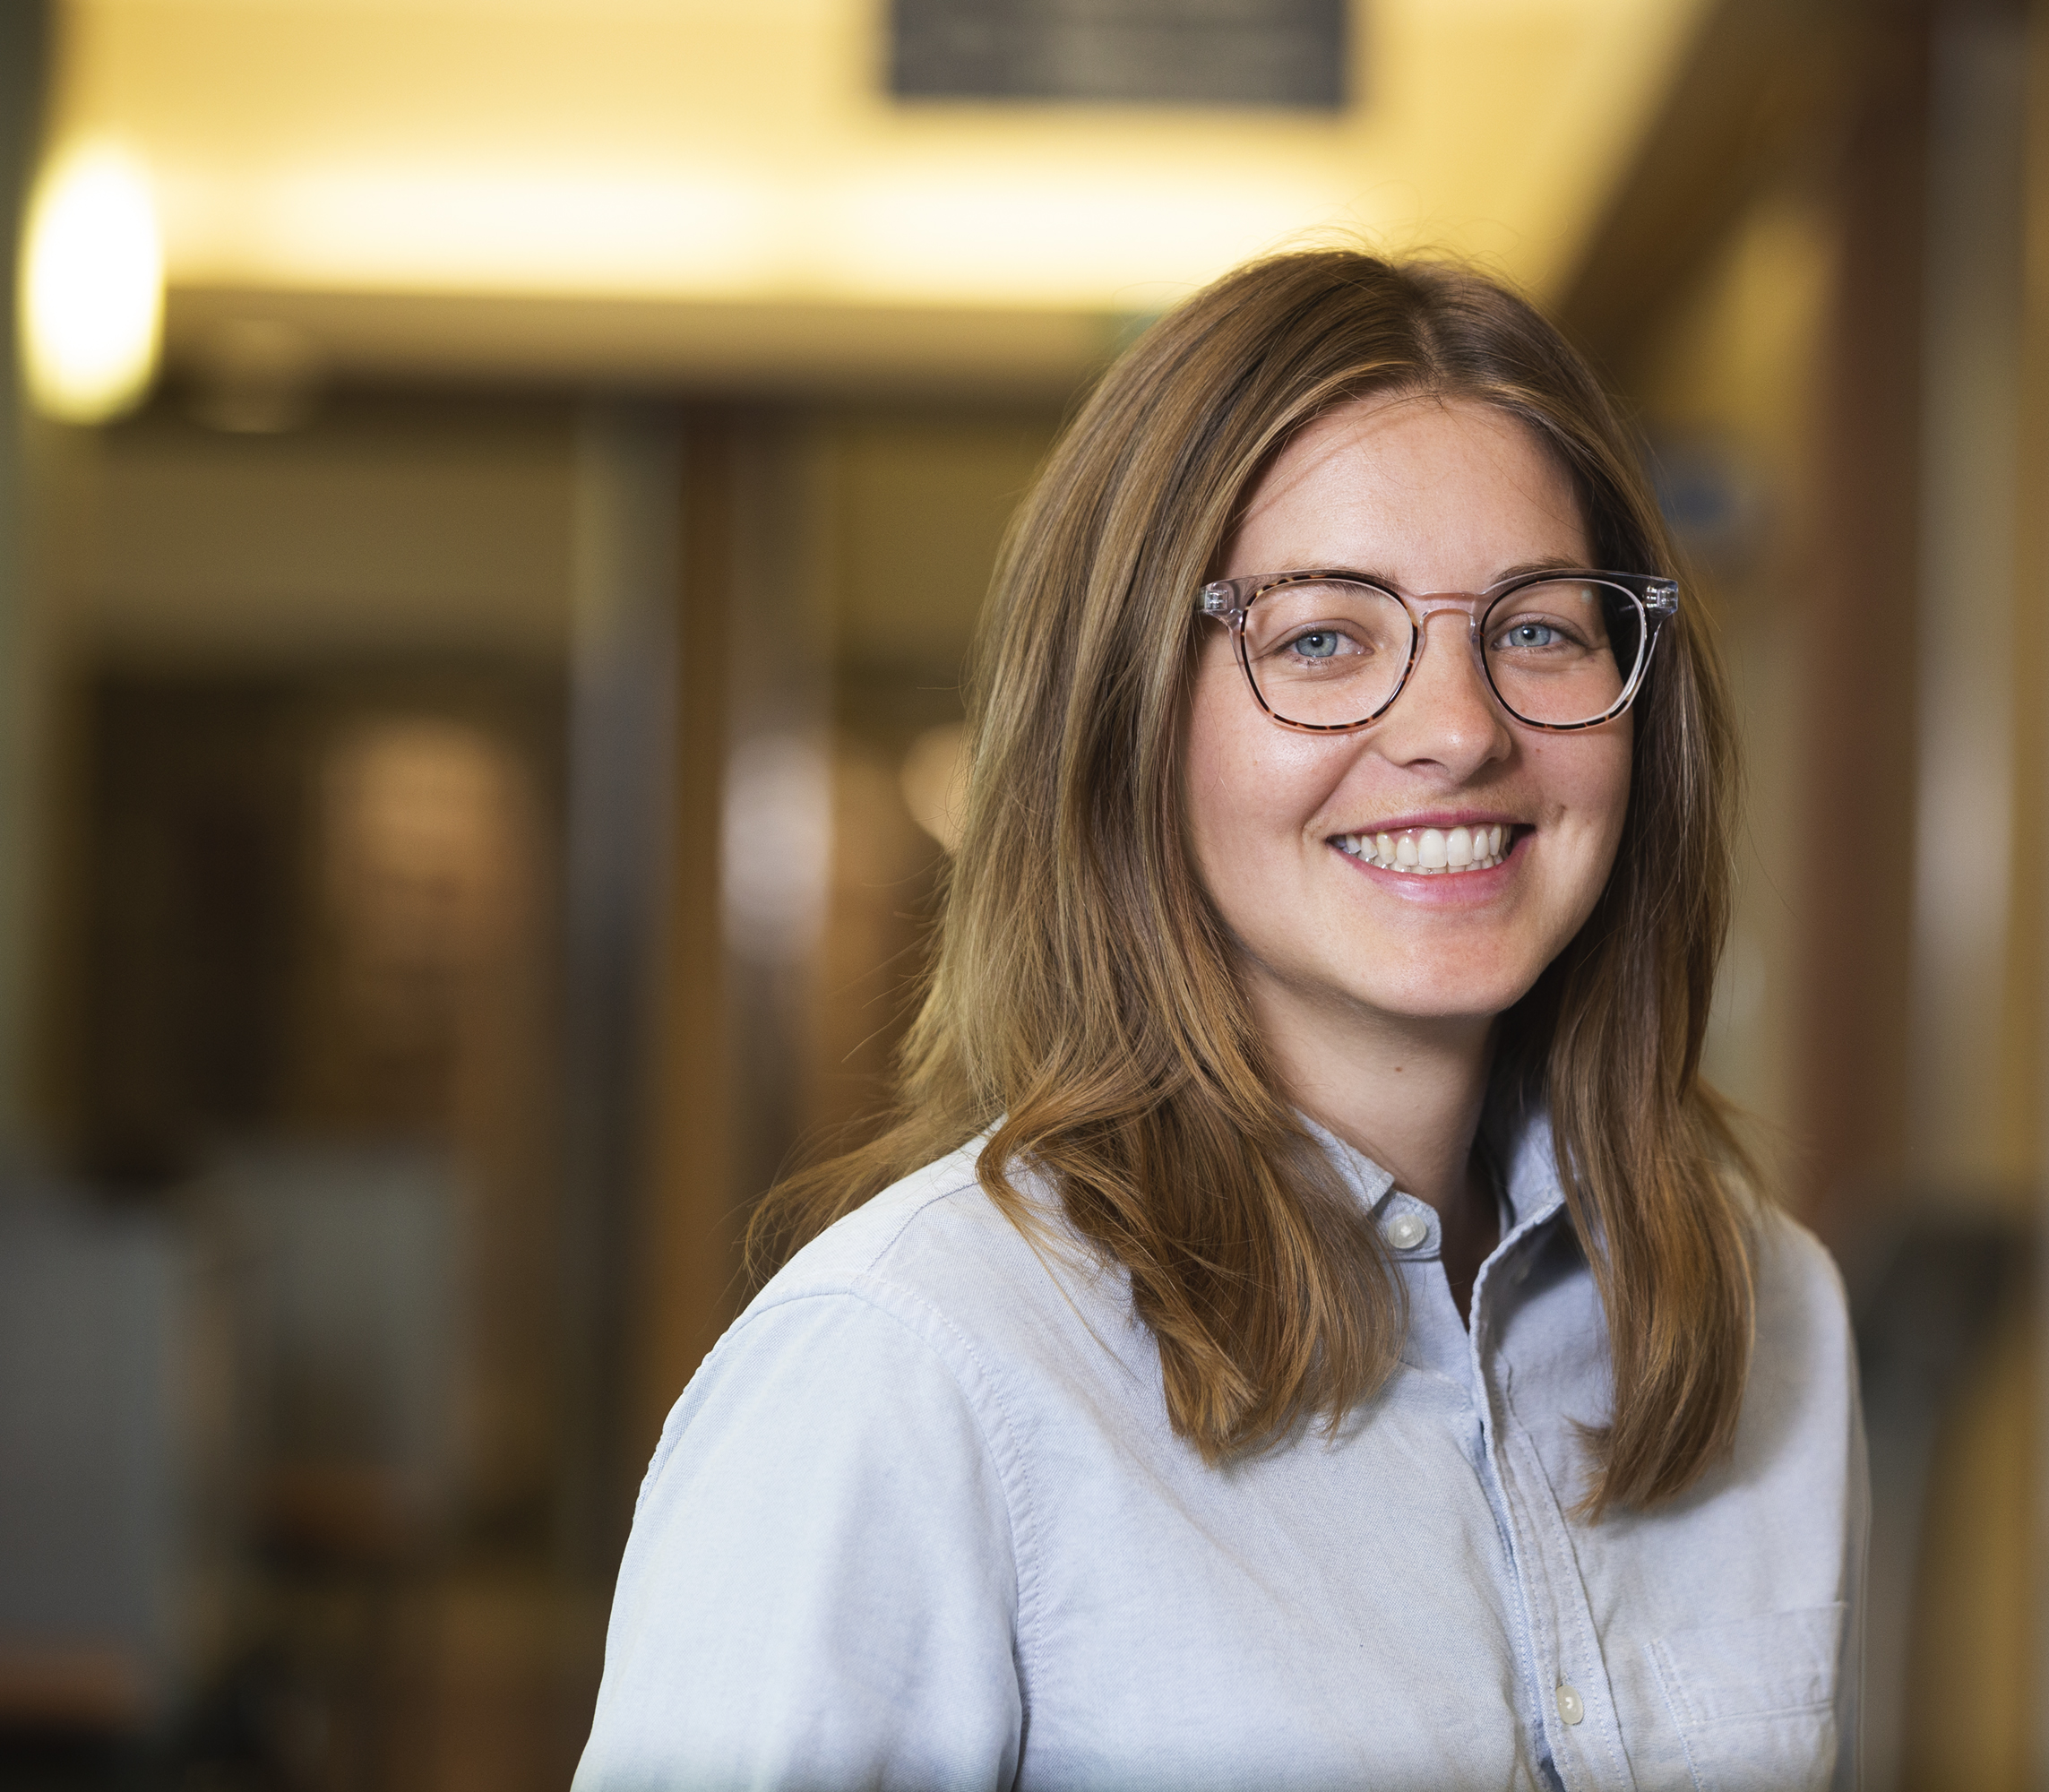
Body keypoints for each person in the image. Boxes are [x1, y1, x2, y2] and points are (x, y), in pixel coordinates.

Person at [573, 249, 1864, 1792]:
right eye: (1323, 636)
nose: (1458, 730)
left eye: (1537, 628)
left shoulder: (1770, 1310)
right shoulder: (911, 1376)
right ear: (1125, 715)